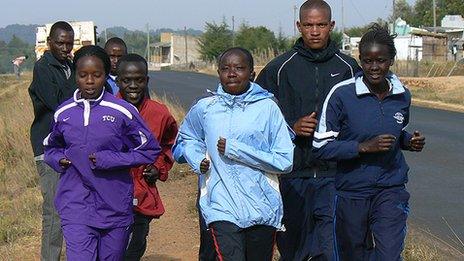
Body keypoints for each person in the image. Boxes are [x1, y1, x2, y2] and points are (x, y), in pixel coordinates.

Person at [255, 1, 360, 260]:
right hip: (292, 176)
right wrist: (291, 127)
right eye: (309, 25)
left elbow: (361, 117)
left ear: (331, 26)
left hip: (335, 176)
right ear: (299, 26)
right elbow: (256, 119)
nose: (315, 31)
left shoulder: (349, 69)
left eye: (321, 25)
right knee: (293, 250)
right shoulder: (279, 69)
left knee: (332, 247)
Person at [313, 24, 426, 260]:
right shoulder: (341, 94)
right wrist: (363, 147)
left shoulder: (402, 95)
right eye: (367, 61)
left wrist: (408, 142)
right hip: (351, 192)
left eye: (381, 61)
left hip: (390, 189)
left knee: (389, 255)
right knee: (353, 254)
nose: (374, 67)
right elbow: (321, 148)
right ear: (360, 60)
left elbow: (397, 132)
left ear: (392, 60)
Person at [43, 45, 160, 260]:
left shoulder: (122, 111)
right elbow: (50, 149)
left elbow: (149, 150)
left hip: (114, 204)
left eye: (96, 75)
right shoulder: (64, 112)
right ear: (75, 76)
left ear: (106, 75)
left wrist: (111, 159)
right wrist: (59, 159)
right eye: (83, 75)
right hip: (75, 204)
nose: (89, 81)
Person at [176, 47, 294, 260]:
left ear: (252, 74)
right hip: (220, 206)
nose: (232, 74)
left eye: (239, 68)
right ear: (218, 72)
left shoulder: (268, 108)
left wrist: (236, 150)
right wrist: (198, 159)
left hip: (262, 207)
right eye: (225, 68)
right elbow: (187, 138)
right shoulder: (206, 107)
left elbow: (284, 161)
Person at [116, 54, 178, 260]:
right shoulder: (106, 110)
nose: (133, 85)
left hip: (142, 192)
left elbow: (169, 144)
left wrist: (158, 166)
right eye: (127, 80)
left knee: (136, 244)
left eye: (139, 80)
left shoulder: (159, 113)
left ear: (147, 80)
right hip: (111, 192)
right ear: (117, 79)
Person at [28, 21, 75, 261]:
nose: (65, 48)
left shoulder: (70, 66)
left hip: (71, 148)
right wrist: (79, 74)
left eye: (69, 43)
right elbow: (59, 104)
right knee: (55, 212)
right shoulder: (44, 67)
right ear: (49, 43)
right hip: (49, 149)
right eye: (60, 43)